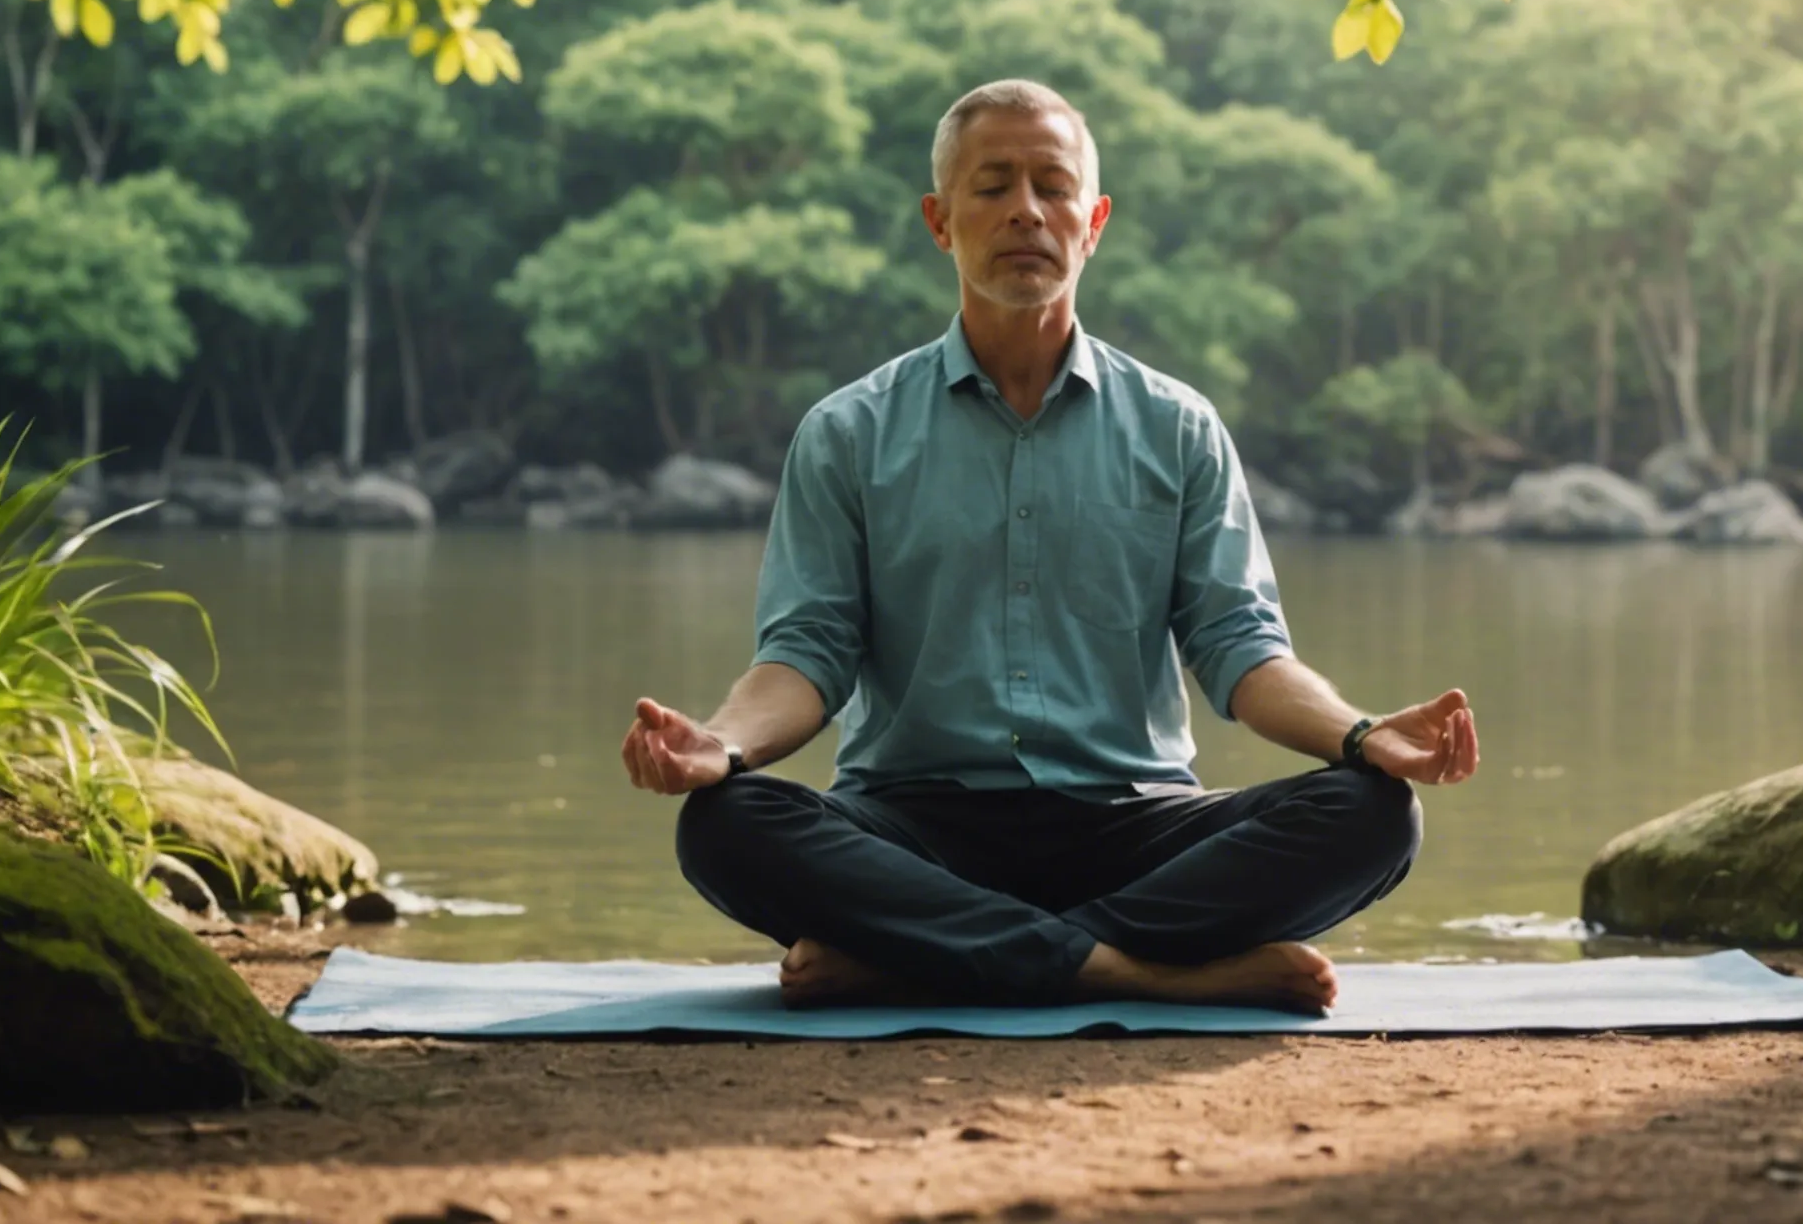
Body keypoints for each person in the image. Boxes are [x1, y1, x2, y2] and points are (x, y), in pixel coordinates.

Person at [619, 79, 1481, 1013]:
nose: (1026, 210)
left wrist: (1362, 736)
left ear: (1094, 220)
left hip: (1134, 824)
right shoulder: (848, 432)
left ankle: (927, 955)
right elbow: (807, 655)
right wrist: (724, 747)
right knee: (728, 823)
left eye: (1053, 185)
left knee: (1372, 811)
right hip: (915, 828)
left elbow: (1242, 649)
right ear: (939, 220)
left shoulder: (1178, 428)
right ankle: (1135, 968)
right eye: (992, 186)